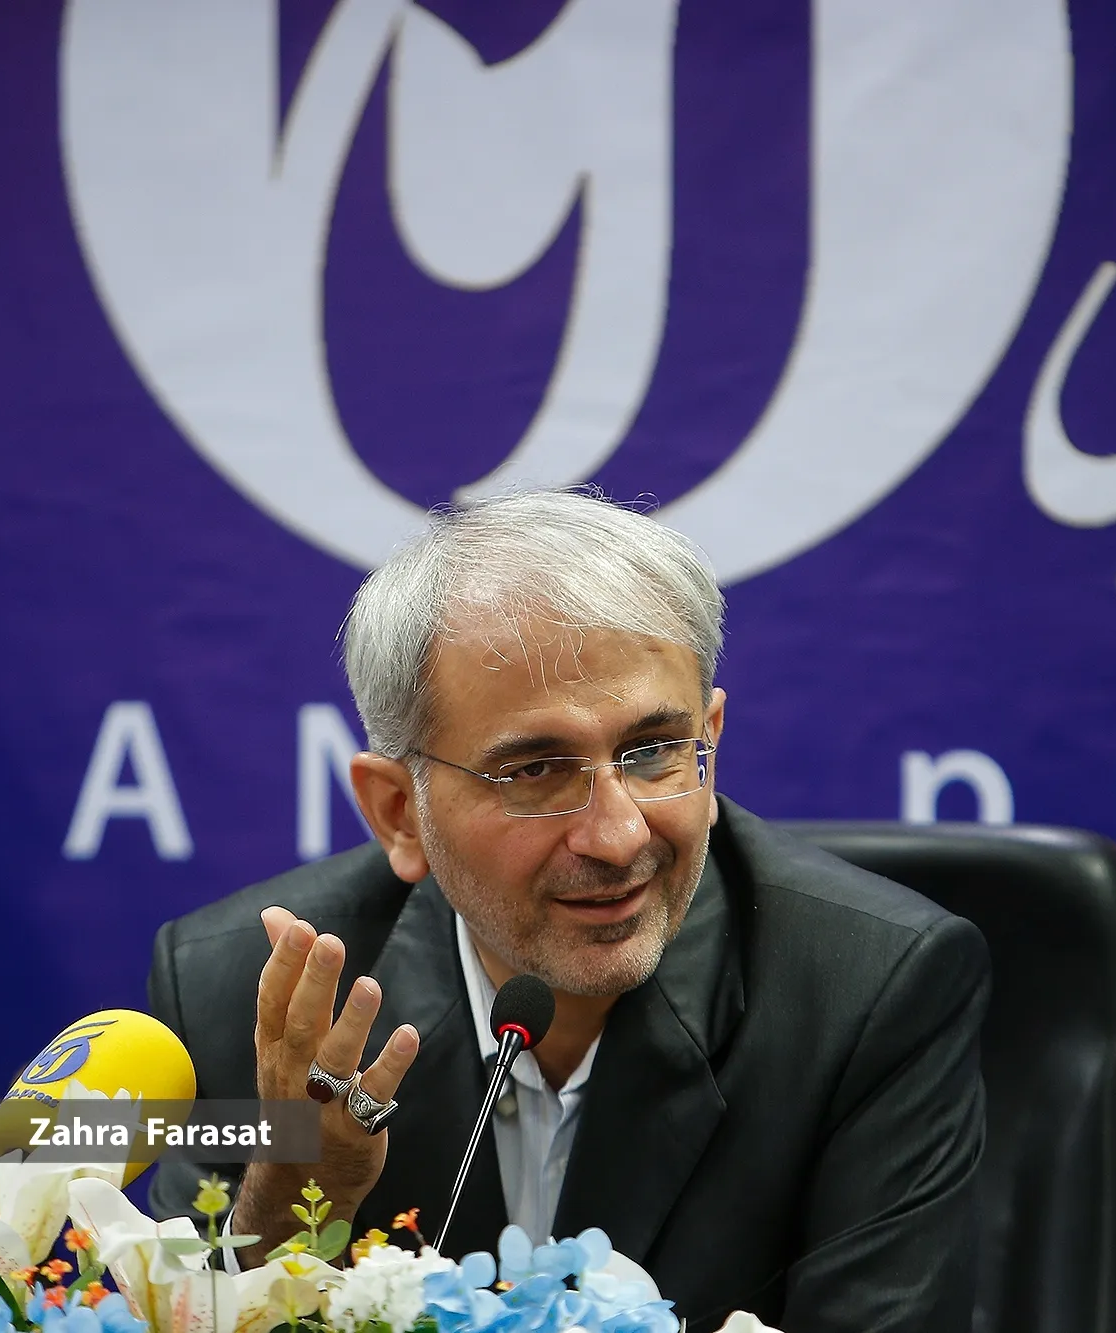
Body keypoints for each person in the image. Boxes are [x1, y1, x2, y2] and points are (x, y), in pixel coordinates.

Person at [145, 490, 990, 1333]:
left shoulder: (869, 993)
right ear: (401, 812)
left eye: (654, 752)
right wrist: (290, 1203)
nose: (618, 836)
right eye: (537, 771)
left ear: (710, 738)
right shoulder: (244, 996)